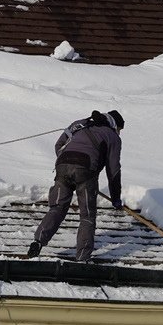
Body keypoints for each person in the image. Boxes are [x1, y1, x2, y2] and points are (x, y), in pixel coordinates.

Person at [27, 109, 124, 261]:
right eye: (119, 130)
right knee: (87, 215)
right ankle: (82, 258)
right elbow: (113, 170)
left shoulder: (80, 124)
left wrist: (69, 161)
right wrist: (116, 198)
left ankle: (37, 241)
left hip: (62, 166)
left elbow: (59, 144)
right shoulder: (112, 137)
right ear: (114, 125)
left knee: (57, 207)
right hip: (86, 172)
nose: (119, 133)